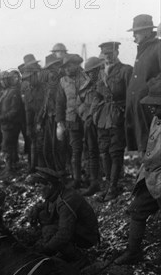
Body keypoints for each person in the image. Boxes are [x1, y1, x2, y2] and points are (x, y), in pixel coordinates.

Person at [115, 78, 161, 264]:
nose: (151, 109)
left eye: (156, 105)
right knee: (137, 210)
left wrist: (148, 160)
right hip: (152, 177)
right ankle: (133, 252)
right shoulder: (156, 120)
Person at [28, 167, 100, 267]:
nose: (37, 189)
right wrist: (36, 208)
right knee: (42, 214)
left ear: (49, 185)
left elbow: (64, 234)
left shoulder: (66, 201)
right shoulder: (57, 192)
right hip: (78, 228)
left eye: (39, 186)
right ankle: (64, 250)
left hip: (87, 236)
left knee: (49, 231)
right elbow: (48, 204)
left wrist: (46, 249)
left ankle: (79, 258)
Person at [93, 41, 133, 201]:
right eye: (105, 54)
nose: (107, 56)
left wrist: (126, 114)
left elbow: (131, 95)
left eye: (110, 53)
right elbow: (96, 94)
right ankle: (108, 184)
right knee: (104, 151)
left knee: (115, 152)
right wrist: (95, 111)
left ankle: (113, 187)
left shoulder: (126, 70)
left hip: (118, 116)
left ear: (117, 52)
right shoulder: (101, 72)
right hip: (103, 117)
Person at [125, 14, 161, 156]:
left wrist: (149, 89)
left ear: (147, 31)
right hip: (140, 110)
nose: (134, 36)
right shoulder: (143, 49)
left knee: (152, 149)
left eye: (137, 32)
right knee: (144, 149)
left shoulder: (157, 47)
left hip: (151, 109)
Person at [56, 54, 88, 189]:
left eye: (69, 66)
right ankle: (76, 179)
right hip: (71, 120)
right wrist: (60, 122)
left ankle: (91, 178)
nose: (67, 69)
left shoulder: (87, 78)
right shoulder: (62, 81)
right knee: (75, 150)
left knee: (91, 149)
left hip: (87, 119)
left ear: (76, 65)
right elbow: (60, 103)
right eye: (65, 67)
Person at [77, 56, 106, 196]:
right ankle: (94, 182)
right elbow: (79, 103)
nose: (90, 75)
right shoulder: (86, 86)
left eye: (92, 71)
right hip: (89, 124)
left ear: (99, 69)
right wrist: (85, 114)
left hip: (102, 123)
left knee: (105, 152)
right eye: (88, 72)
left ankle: (108, 183)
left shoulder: (105, 83)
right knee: (91, 152)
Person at [38, 54, 67, 173]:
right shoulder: (49, 85)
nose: (52, 72)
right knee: (48, 148)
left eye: (54, 67)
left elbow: (61, 103)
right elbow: (45, 104)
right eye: (50, 69)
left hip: (58, 118)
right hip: (49, 118)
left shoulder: (62, 82)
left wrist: (60, 121)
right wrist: (40, 120)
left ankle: (60, 172)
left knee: (58, 148)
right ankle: (52, 172)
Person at [0, 70, 24, 178]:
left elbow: (15, 110)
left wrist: (2, 118)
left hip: (11, 124)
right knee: (9, 146)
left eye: (3, 80)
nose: (2, 82)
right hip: (5, 124)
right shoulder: (4, 92)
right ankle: (9, 168)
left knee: (8, 146)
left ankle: (9, 169)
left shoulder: (14, 92)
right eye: (1, 80)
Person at [19, 55, 44, 174]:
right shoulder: (29, 91)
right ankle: (34, 168)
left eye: (30, 78)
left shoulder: (45, 88)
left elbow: (46, 106)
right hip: (35, 122)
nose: (28, 81)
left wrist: (40, 122)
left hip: (46, 121)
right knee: (34, 144)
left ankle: (44, 169)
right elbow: (28, 110)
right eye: (26, 79)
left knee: (44, 146)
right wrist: (29, 127)